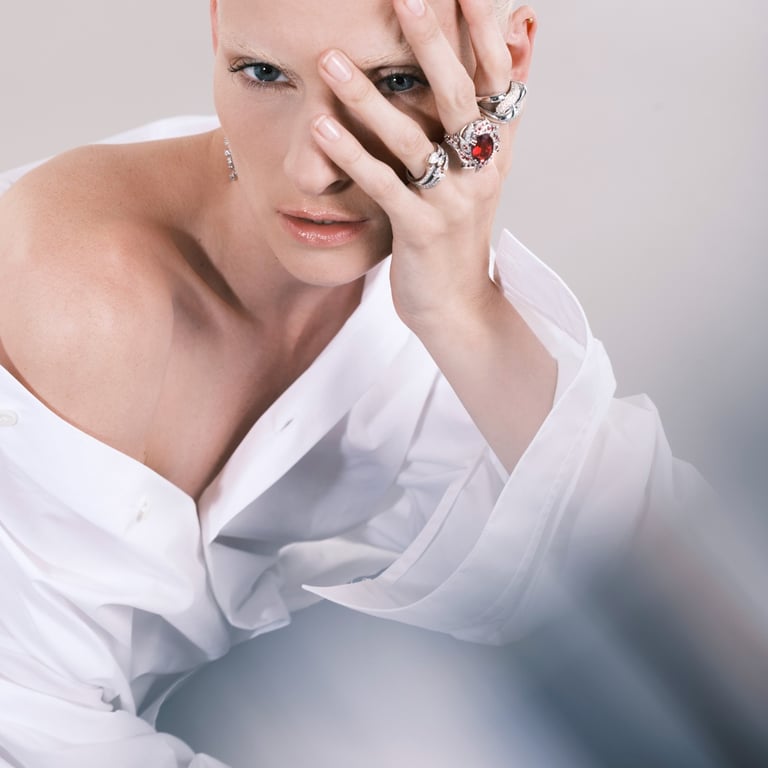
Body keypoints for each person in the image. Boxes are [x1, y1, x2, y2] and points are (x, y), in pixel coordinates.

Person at [0, 0, 723, 765]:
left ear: (505, 61)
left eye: (396, 81)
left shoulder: (415, 286)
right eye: (263, 72)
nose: (312, 171)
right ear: (216, 30)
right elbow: (35, 730)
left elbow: (682, 616)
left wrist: (462, 312)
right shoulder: (83, 296)